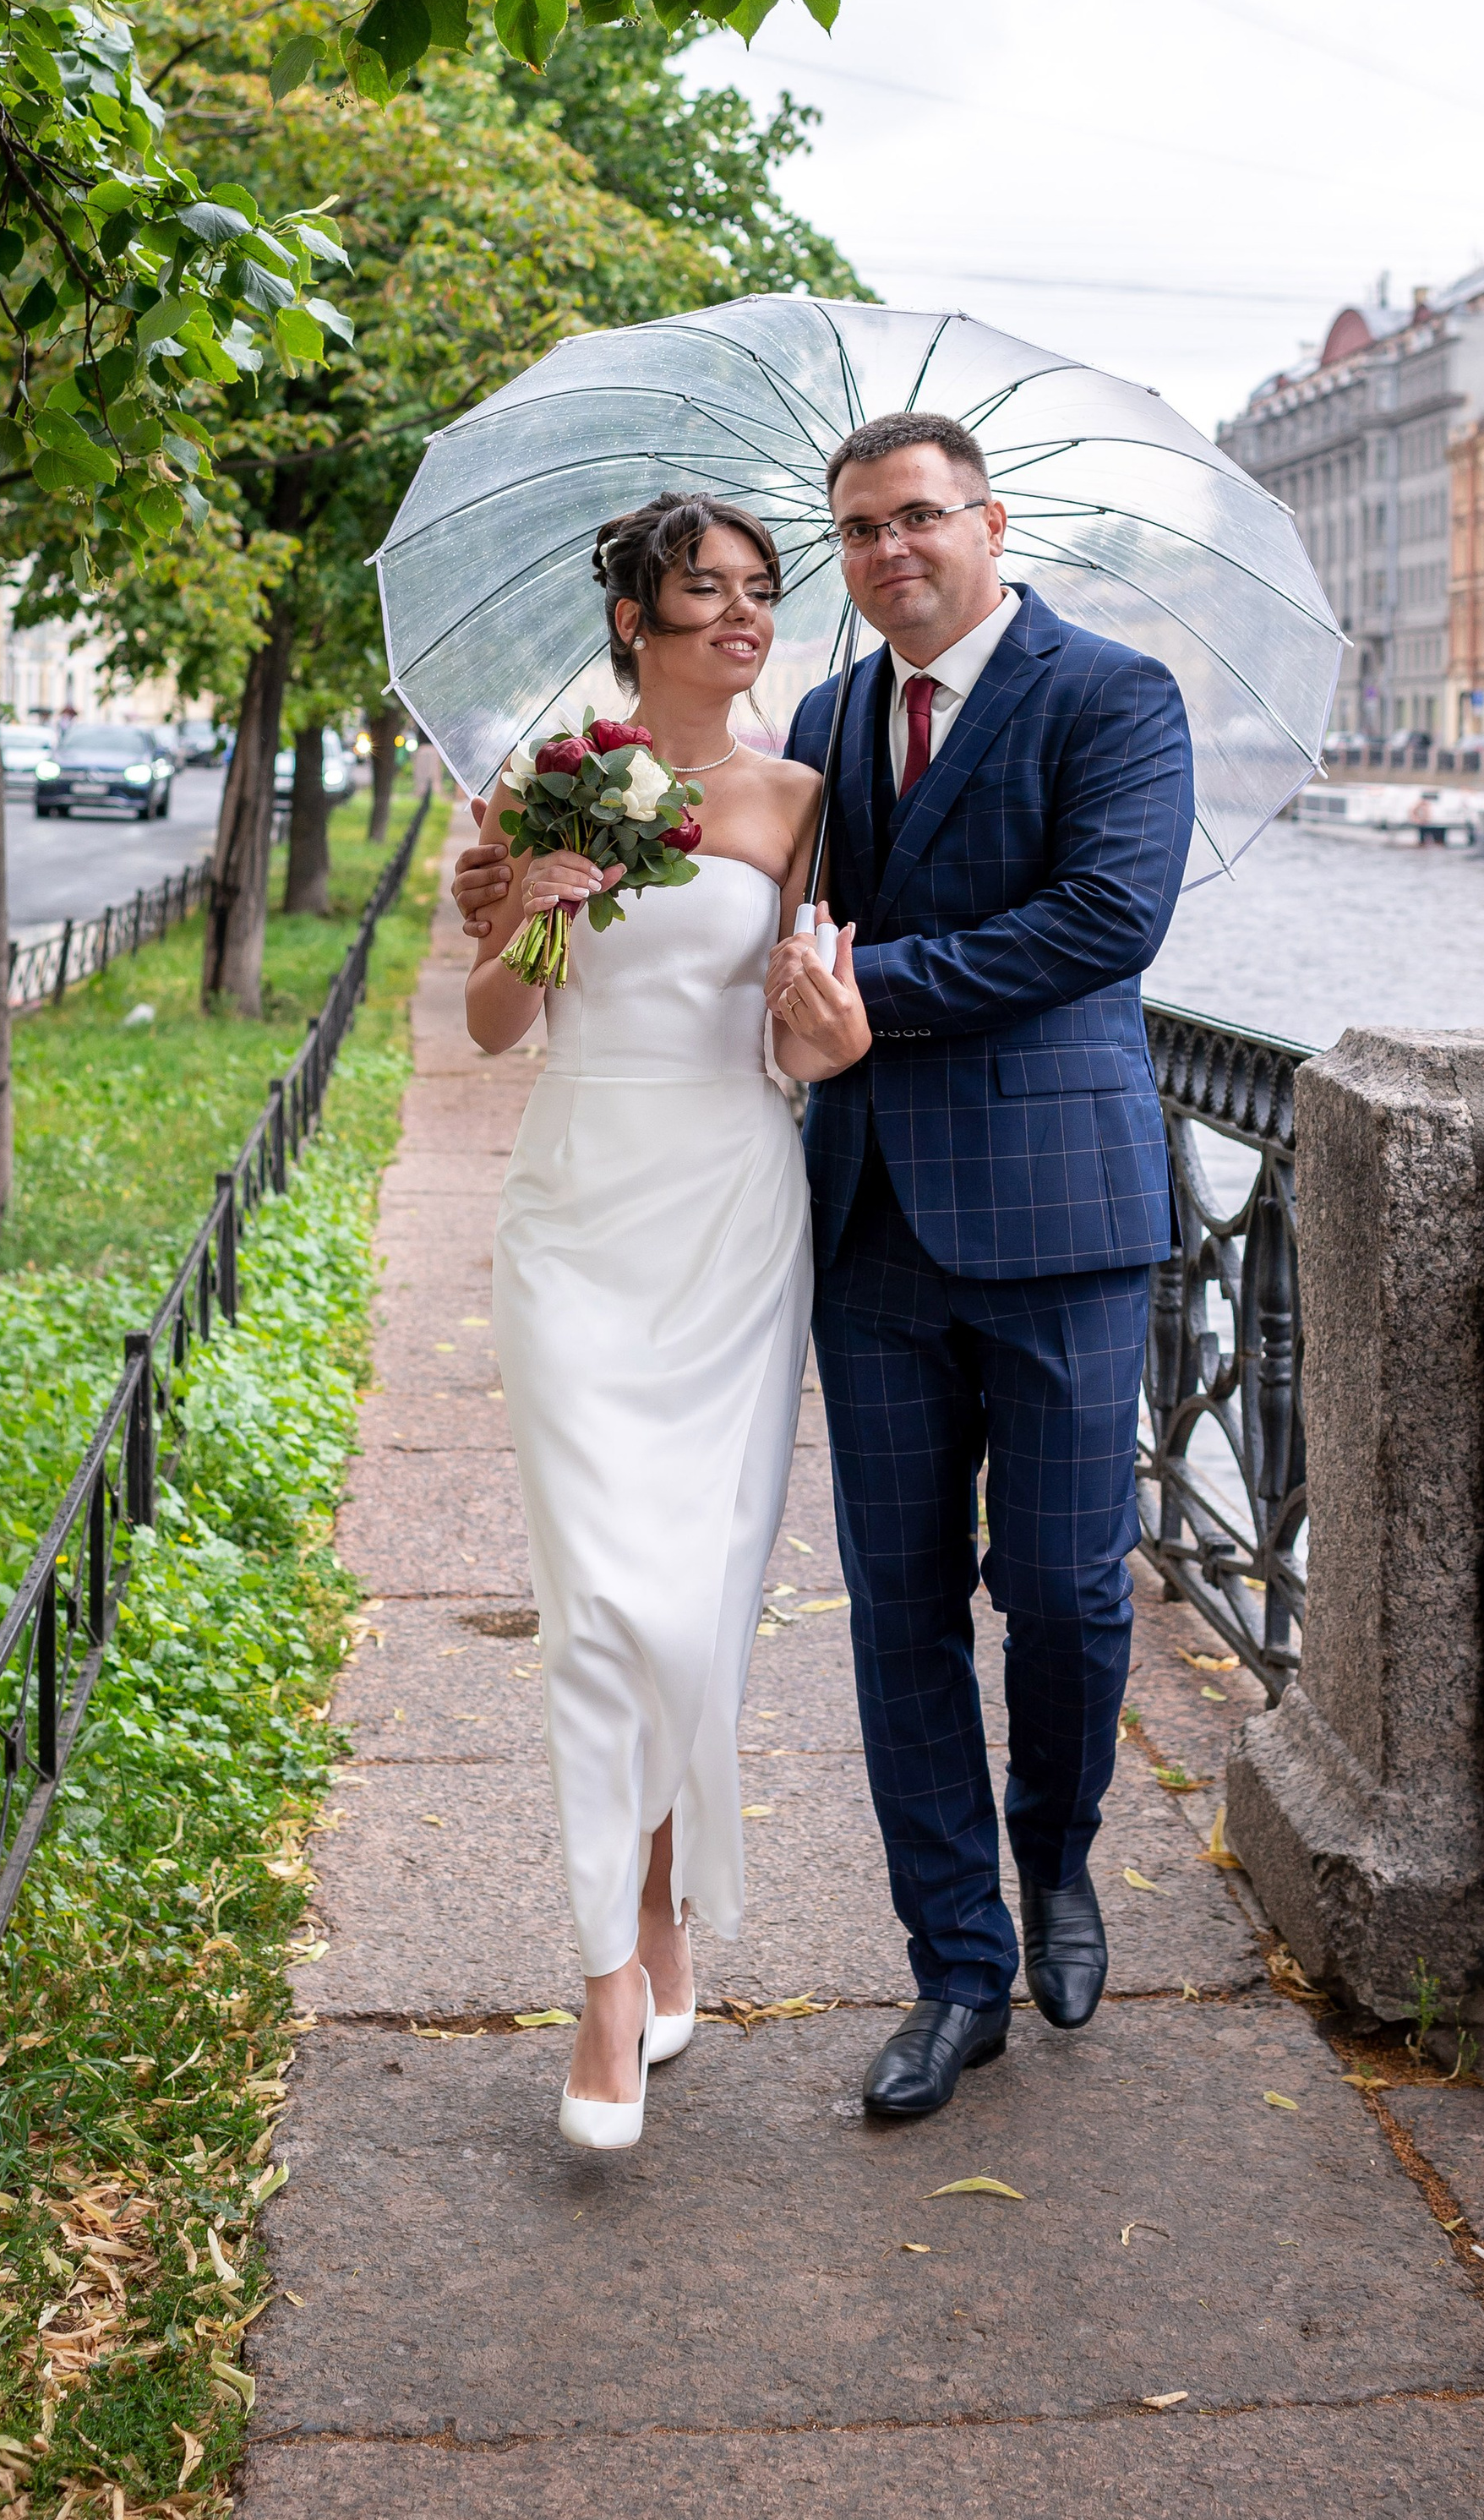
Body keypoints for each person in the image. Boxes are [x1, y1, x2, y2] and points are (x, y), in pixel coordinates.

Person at [454, 412, 1193, 2121]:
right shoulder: (813, 728)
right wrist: (514, 895)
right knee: (888, 1606)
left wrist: (858, 1005)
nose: (884, 552)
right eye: (857, 529)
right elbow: (587, 993)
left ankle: (1054, 1854)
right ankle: (949, 1970)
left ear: (987, 524)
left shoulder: (1103, 697)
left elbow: (1100, 921)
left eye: (913, 518)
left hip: (1037, 1207)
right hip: (835, 1218)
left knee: (1068, 1592)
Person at [465, 494, 869, 2152]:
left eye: (761, 588)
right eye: (705, 588)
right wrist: (533, 907)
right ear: (633, 618)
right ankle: (607, 1977)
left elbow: (795, 1038)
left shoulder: (801, 797)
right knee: (595, 1604)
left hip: (729, 1214)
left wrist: (829, 1038)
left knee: (692, 1600)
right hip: (576, 1213)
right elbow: (494, 1027)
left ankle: (661, 1908)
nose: (742, 614)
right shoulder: (547, 784)